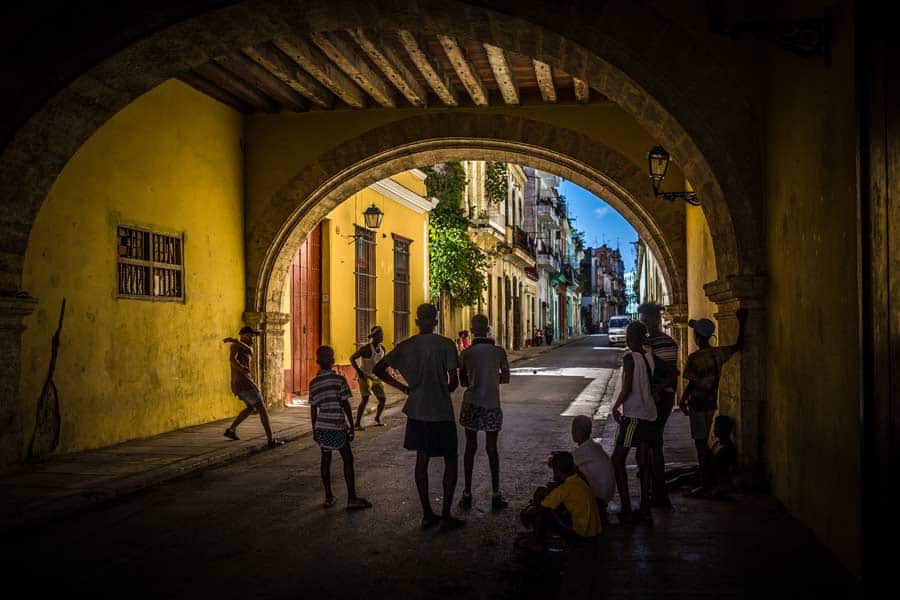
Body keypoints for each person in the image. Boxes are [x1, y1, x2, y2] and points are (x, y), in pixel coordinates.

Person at [373, 303, 464, 530]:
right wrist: (445, 389)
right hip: (441, 411)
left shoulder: (407, 346)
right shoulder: (446, 345)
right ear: (435, 321)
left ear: (416, 321)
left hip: (417, 410)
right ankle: (445, 514)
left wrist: (404, 388)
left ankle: (427, 513)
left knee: (421, 460)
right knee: (450, 459)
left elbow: (379, 369)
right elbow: (454, 380)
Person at [680, 309, 747, 497]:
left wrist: (683, 400)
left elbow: (691, 384)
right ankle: (709, 481)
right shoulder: (719, 353)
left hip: (697, 404)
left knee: (700, 445)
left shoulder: (695, 359)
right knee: (705, 442)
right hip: (711, 404)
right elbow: (739, 345)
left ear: (698, 337)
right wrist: (742, 321)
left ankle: (705, 485)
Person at [309, 345, 372, 510]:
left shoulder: (314, 383)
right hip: (337, 425)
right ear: (332, 361)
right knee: (347, 459)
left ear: (317, 362)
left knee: (326, 460)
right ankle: (351, 497)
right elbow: (345, 405)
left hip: (322, 426)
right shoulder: (339, 380)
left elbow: (313, 409)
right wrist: (351, 426)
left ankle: (329, 497)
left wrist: (315, 429)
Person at [458, 314, 510, 512]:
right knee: (492, 450)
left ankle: (468, 494)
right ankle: (496, 495)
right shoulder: (499, 352)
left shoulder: (466, 354)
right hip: (491, 404)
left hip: (471, 403)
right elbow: (505, 378)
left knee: (470, 449)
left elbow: (463, 382)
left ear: (472, 330)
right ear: (488, 329)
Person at [610, 321, 657, 523]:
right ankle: (645, 507)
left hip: (634, 417)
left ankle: (627, 507)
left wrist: (616, 405)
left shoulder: (629, 357)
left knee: (618, 459)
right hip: (649, 415)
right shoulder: (648, 357)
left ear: (632, 338)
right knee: (644, 461)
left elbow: (627, 387)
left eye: (629, 335)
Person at [637, 302, 680, 508]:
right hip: (653, 399)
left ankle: (659, 493)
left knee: (654, 443)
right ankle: (657, 490)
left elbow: (670, 374)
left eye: (647, 320)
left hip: (660, 399)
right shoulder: (648, 342)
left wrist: (656, 391)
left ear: (657, 319)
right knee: (653, 444)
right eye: (643, 320)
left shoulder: (664, 343)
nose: (645, 324)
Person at [518, 451, 601, 552]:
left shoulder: (564, 489)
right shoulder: (579, 480)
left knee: (542, 513)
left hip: (581, 534)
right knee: (552, 504)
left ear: (556, 472)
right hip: (593, 530)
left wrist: (526, 512)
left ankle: (537, 541)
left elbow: (540, 509)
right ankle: (539, 534)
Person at [222, 326, 285, 448]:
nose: (253, 338)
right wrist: (241, 368)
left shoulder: (244, 347)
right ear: (243, 335)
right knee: (262, 409)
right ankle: (271, 440)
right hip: (244, 383)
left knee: (251, 407)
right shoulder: (235, 347)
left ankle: (231, 430)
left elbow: (249, 351)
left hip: (240, 384)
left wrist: (235, 340)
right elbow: (232, 359)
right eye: (251, 335)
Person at [570, 415, 615, 526]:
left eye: (575, 429)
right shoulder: (593, 447)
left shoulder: (585, 450)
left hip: (598, 499)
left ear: (580, 431)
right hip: (605, 496)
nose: (573, 432)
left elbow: (565, 464)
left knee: (568, 475)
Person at [350, 325, 387, 430]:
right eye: (380, 335)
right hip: (365, 375)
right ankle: (357, 424)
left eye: (382, 334)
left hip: (376, 377)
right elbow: (352, 358)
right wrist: (358, 371)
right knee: (365, 399)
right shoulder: (366, 349)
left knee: (382, 399)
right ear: (374, 336)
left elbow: (382, 363)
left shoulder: (382, 348)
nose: (382, 336)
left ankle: (377, 418)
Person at [709, 415, 738, 499]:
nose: (714, 430)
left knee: (682, 478)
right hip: (712, 474)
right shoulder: (717, 443)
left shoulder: (728, 448)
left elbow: (725, 471)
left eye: (716, 427)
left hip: (715, 478)